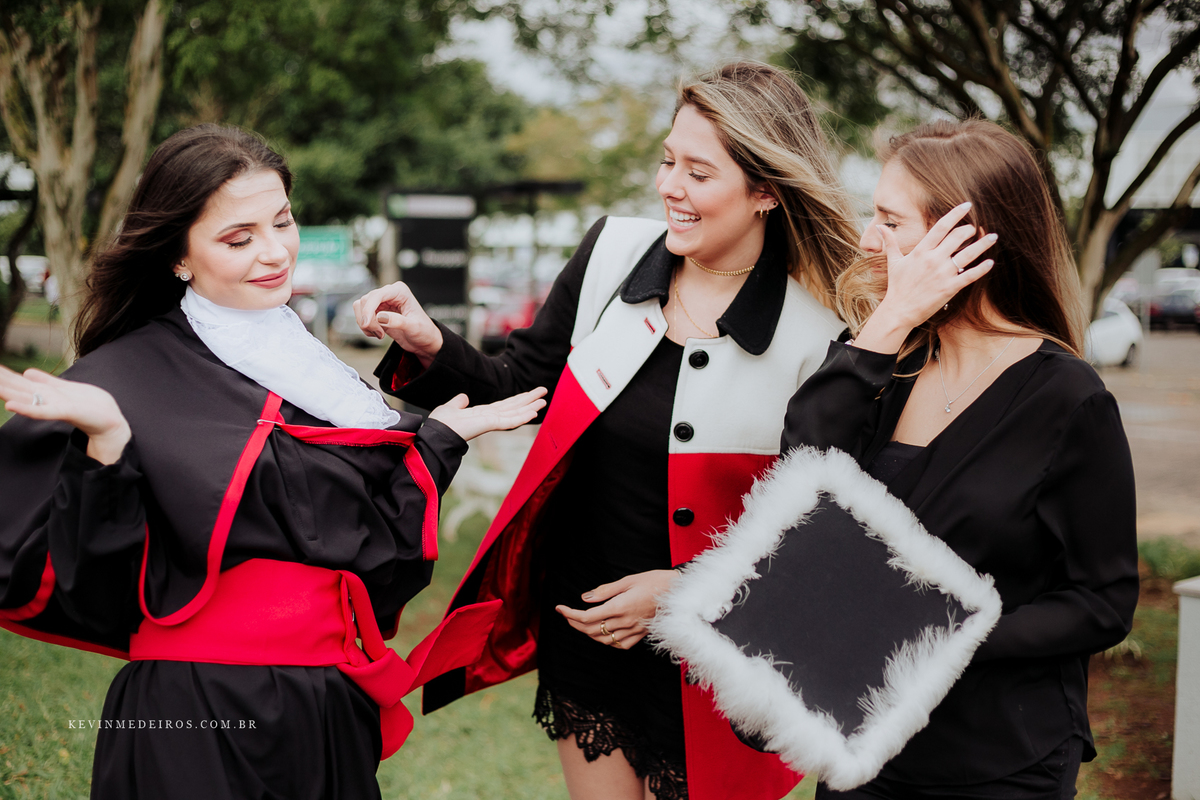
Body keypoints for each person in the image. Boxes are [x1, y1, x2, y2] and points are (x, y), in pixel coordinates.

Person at [352, 62, 861, 800]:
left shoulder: (823, 334)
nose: (669, 187)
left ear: (765, 192)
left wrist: (686, 589)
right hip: (587, 632)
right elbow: (521, 383)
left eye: (698, 171)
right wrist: (434, 345)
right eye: (666, 161)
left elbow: (828, 536)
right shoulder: (610, 255)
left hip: (726, 655)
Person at [0, 124, 545, 799]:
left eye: (281, 222)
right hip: (195, 712)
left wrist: (438, 439)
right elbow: (91, 579)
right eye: (238, 238)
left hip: (326, 703)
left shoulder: (312, 367)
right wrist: (108, 444)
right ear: (177, 255)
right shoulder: (119, 381)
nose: (274, 253)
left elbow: (360, 539)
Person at [780, 119, 1139, 799]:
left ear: (964, 240)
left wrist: (942, 636)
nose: (866, 240)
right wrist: (887, 324)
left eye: (889, 221)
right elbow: (798, 483)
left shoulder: (1068, 399)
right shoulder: (878, 363)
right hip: (865, 748)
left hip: (1000, 762)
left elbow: (1104, 602)